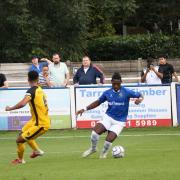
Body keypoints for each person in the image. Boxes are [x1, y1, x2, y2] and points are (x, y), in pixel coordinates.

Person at [76, 72, 144, 158]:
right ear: (111, 82)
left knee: (108, 141)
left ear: (121, 82)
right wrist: (84, 109)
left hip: (119, 122)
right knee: (94, 134)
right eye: (114, 84)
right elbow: (98, 102)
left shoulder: (126, 92)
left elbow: (141, 95)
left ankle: (103, 155)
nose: (115, 86)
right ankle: (93, 149)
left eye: (117, 84)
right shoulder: (107, 93)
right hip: (108, 117)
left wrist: (140, 100)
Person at [5, 71, 51, 164]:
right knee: (21, 136)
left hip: (41, 124)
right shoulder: (40, 89)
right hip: (35, 121)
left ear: (28, 79)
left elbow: (22, 103)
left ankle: (33, 153)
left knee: (20, 140)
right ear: (38, 79)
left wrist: (10, 108)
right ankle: (22, 158)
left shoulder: (31, 91)